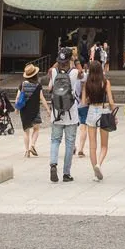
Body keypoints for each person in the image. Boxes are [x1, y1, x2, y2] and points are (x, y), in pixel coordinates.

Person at [48, 54, 81, 183]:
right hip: (71, 113)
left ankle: (53, 164)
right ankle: (66, 173)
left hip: (56, 113)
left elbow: (50, 88)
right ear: (70, 60)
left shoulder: (53, 72)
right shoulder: (74, 73)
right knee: (69, 143)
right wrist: (76, 60)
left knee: (55, 141)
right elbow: (82, 74)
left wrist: (56, 64)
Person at [81, 65, 114, 181]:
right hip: (103, 111)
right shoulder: (105, 82)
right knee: (104, 145)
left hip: (91, 111)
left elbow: (83, 102)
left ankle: (95, 173)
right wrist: (113, 114)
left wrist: (89, 98)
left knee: (92, 146)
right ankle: (98, 164)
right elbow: (110, 101)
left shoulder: (87, 84)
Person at [16, 63, 48, 157]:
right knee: (36, 129)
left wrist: (17, 108)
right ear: (35, 74)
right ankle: (32, 145)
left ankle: (26, 151)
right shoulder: (38, 86)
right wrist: (48, 110)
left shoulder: (22, 85)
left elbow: (18, 97)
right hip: (35, 110)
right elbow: (42, 98)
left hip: (24, 111)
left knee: (26, 131)